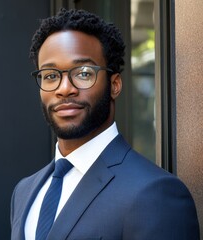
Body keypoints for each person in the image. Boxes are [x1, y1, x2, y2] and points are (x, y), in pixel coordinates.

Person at [10, 8, 200, 240]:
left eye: (83, 73)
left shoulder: (154, 193)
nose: (64, 88)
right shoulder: (24, 191)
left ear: (115, 85)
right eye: (51, 76)